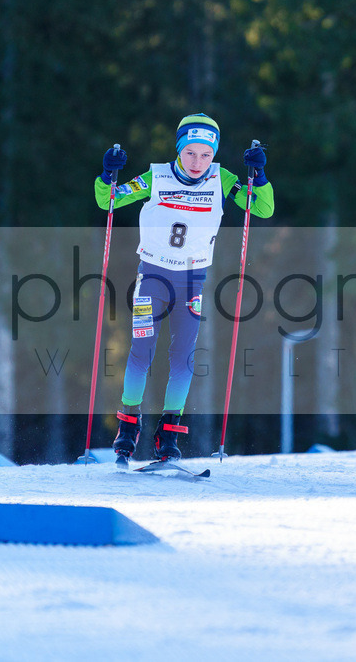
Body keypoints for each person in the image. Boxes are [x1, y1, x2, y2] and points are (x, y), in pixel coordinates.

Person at [93, 113, 275, 464]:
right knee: (141, 352)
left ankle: (169, 432)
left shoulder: (222, 179)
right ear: (179, 150)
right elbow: (109, 201)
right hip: (153, 278)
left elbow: (262, 208)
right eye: (190, 153)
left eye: (205, 154)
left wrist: (260, 177)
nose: (197, 162)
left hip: (192, 280)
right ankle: (128, 427)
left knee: (183, 359)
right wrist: (106, 176)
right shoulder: (156, 177)